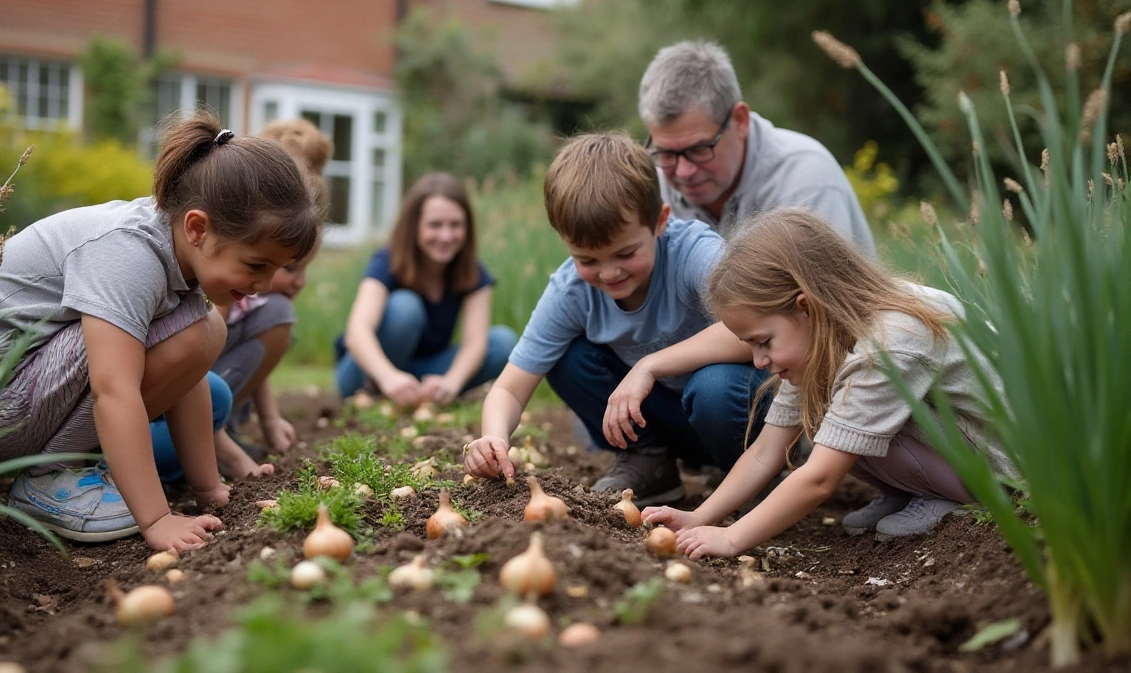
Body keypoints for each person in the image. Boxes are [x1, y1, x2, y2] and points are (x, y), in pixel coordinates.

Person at [0, 112, 324, 551]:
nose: (265, 285)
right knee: (193, 333)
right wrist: (157, 519)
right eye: (256, 265)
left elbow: (188, 379)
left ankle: (66, 468)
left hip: (27, 391)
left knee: (207, 330)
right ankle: (48, 478)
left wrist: (209, 489)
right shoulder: (129, 254)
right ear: (197, 228)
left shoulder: (176, 251)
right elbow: (113, 391)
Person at [643, 210, 1013, 556]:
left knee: (840, 424)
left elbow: (819, 478)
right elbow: (765, 451)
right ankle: (909, 492)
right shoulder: (823, 337)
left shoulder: (891, 342)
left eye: (763, 341)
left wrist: (731, 537)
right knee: (827, 410)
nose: (758, 361)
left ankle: (953, 499)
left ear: (806, 307)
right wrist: (701, 516)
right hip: (955, 450)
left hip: (1002, 471)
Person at [462, 133, 765, 506]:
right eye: (587, 260)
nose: (608, 273)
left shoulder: (694, 253)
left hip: (735, 412)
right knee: (566, 356)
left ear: (660, 221)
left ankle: (752, 474)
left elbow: (754, 327)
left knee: (715, 385)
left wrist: (650, 366)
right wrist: (494, 437)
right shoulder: (571, 290)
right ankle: (649, 463)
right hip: (669, 417)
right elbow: (509, 388)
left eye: (625, 253)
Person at [639, 40, 876, 255]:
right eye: (667, 153)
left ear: (740, 120)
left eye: (699, 149)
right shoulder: (653, 188)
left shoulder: (805, 181)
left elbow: (821, 299)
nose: (683, 172)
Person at [335, 172, 516, 407]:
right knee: (405, 306)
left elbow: (475, 344)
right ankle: (376, 392)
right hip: (367, 373)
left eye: (455, 225)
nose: (446, 235)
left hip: (425, 370)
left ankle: (425, 393)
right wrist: (388, 377)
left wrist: (452, 381)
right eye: (435, 225)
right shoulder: (386, 261)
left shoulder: (473, 270)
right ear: (414, 226)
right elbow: (357, 332)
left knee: (503, 342)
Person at [209, 118, 332, 460]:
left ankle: (222, 425)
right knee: (277, 315)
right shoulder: (222, 289)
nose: (299, 281)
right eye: (289, 268)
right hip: (183, 401)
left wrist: (271, 417)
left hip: (205, 395)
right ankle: (213, 433)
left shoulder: (250, 293)